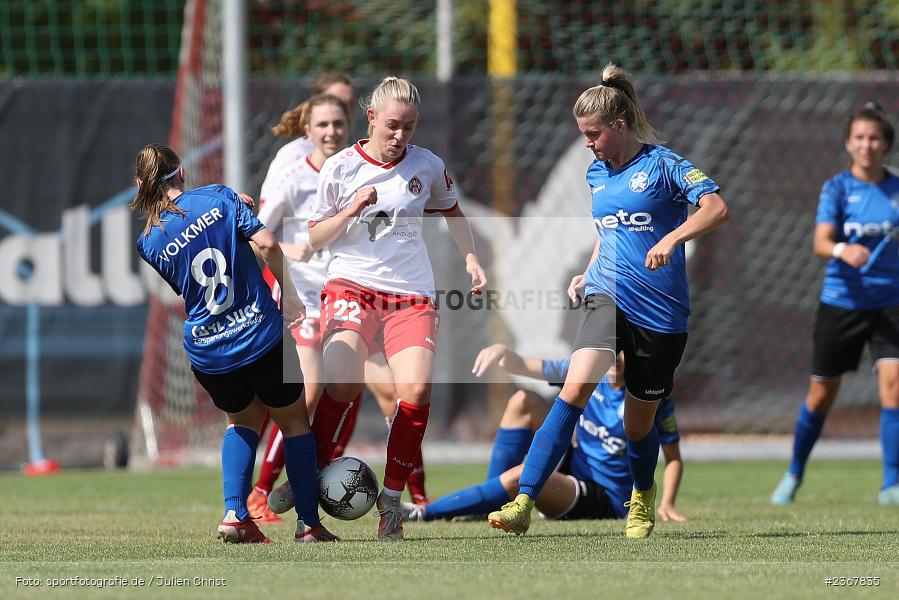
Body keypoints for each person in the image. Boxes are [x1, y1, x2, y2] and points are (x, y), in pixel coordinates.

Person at [488, 64, 728, 539]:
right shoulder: (596, 173)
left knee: (637, 425)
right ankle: (522, 501)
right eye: (582, 134)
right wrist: (589, 269)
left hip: (661, 312)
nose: (588, 144)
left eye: (593, 134)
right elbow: (609, 229)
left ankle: (640, 496)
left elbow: (717, 208)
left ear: (619, 126)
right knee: (574, 389)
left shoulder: (665, 165)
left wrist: (673, 238)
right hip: (607, 294)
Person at [307, 76, 487, 541]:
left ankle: (390, 504)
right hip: (351, 286)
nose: (400, 136)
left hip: (410, 295)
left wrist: (470, 257)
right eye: (392, 126)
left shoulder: (427, 166)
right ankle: (311, 474)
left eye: (409, 127)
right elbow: (315, 237)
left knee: (416, 389)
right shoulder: (341, 168)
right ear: (370, 118)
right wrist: (350, 210)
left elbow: (452, 212)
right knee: (342, 382)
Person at [130, 143, 337, 543]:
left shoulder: (148, 242)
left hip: (209, 350)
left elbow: (191, 283)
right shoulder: (221, 197)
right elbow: (269, 246)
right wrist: (290, 294)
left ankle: (235, 514)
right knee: (294, 423)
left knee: (241, 421)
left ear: (141, 185)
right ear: (183, 174)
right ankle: (309, 525)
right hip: (260, 333)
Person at [247, 91, 430, 523]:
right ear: (306, 130)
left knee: (388, 393)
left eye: (337, 124)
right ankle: (262, 490)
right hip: (307, 298)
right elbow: (259, 236)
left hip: (363, 294)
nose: (331, 132)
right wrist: (297, 251)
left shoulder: (362, 165)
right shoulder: (293, 175)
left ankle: (414, 499)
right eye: (322, 125)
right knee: (312, 390)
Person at [771, 102, 899, 506]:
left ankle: (891, 486)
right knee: (821, 396)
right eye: (859, 137)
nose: (867, 144)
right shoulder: (837, 188)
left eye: (874, 138)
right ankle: (793, 473)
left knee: (894, 389)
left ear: (886, 144)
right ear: (848, 143)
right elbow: (821, 241)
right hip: (841, 304)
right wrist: (844, 250)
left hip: (890, 306)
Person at [402, 348, 685, 524]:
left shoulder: (650, 398)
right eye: (610, 344)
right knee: (523, 401)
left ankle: (424, 513)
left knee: (522, 476)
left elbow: (673, 458)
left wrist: (667, 502)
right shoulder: (591, 371)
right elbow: (529, 367)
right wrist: (504, 354)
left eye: (622, 347)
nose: (614, 354)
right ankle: (487, 503)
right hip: (573, 466)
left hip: (605, 497)